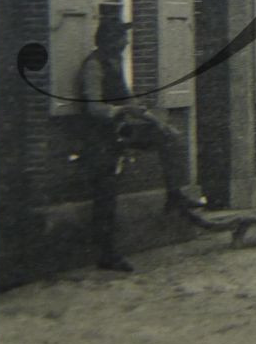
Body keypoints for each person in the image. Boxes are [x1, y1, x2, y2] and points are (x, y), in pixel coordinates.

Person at [75, 16, 198, 272]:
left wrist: (158, 123)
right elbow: (94, 108)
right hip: (98, 139)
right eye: (122, 38)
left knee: (168, 138)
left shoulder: (115, 64)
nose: (126, 43)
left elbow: (131, 101)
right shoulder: (94, 67)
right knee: (106, 196)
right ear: (109, 40)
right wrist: (120, 111)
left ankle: (174, 195)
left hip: (118, 131)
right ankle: (106, 254)